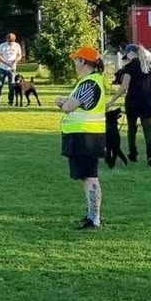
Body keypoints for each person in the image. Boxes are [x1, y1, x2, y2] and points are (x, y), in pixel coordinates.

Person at [55, 47, 110, 230]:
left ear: (84, 62)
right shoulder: (91, 81)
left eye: (77, 60)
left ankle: (94, 218)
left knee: (90, 177)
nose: (75, 63)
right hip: (86, 136)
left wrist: (63, 102)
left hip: (86, 137)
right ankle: (92, 215)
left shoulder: (89, 83)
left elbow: (69, 106)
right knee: (87, 176)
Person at [114, 44, 151, 167]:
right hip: (148, 102)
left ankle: (133, 153)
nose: (127, 58)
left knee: (132, 129)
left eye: (127, 55)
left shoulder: (129, 67)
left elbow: (124, 87)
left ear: (131, 53)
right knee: (148, 130)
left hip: (132, 102)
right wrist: (150, 94)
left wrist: (111, 102)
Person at [0, 32, 24, 106]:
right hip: (2, 68)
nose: (10, 43)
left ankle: (10, 101)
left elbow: (19, 56)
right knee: (0, 85)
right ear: (7, 39)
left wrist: (15, 61)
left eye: (11, 42)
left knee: (12, 86)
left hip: (12, 69)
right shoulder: (2, 45)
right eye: (9, 41)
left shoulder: (17, 46)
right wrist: (6, 63)